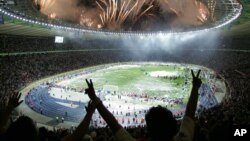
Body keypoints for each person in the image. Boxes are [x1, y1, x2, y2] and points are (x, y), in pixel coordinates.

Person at [84, 69, 202, 141]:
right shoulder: (183, 138)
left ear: (148, 130)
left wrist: (94, 98)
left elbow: (113, 124)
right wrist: (195, 88)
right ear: (173, 127)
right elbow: (189, 115)